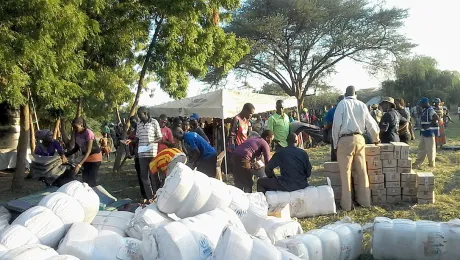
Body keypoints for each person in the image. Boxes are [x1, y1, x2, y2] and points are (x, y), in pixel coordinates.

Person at [332, 86, 380, 211]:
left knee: (345, 173)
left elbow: (336, 125)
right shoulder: (362, 105)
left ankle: (347, 205)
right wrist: (376, 138)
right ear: (356, 94)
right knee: (362, 171)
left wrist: (335, 143)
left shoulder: (342, 104)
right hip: (360, 139)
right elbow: (371, 123)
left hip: (345, 139)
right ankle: (365, 201)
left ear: (344, 94)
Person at [125, 107, 162, 200]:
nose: (138, 116)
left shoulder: (154, 122)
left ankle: (158, 195)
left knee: (154, 176)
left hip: (152, 153)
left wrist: (152, 141)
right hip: (142, 153)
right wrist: (130, 140)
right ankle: (150, 197)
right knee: (144, 176)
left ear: (145, 113)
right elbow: (137, 138)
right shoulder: (139, 124)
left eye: (139, 114)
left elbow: (160, 137)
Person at [65, 117, 103, 187]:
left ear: (81, 125)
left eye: (76, 127)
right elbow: (76, 148)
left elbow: (88, 150)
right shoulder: (76, 133)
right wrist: (65, 155)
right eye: (73, 127)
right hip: (86, 159)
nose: (74, 129)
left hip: (95, 158)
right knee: (85, 181)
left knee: (91, 181)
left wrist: (79, 165)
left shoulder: (88, 133)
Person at [413, 97, 439, 169]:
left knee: (430, 149)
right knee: (421, 148)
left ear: (426, 103)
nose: (420, 105)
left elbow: (437, 118)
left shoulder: (430, 110)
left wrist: (429, 125)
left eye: (421, 104)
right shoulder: (425, 110)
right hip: (424, 132)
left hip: (430, 132)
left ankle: (431, 164)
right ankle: (418, 163)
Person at [324, 95, 345, 161]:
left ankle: (334, 166)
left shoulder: (332, 111)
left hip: (334, 133)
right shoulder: (348, 109)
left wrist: (325, 129)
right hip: (346, 133)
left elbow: (329, 123)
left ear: (337, 101)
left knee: (334, 150)